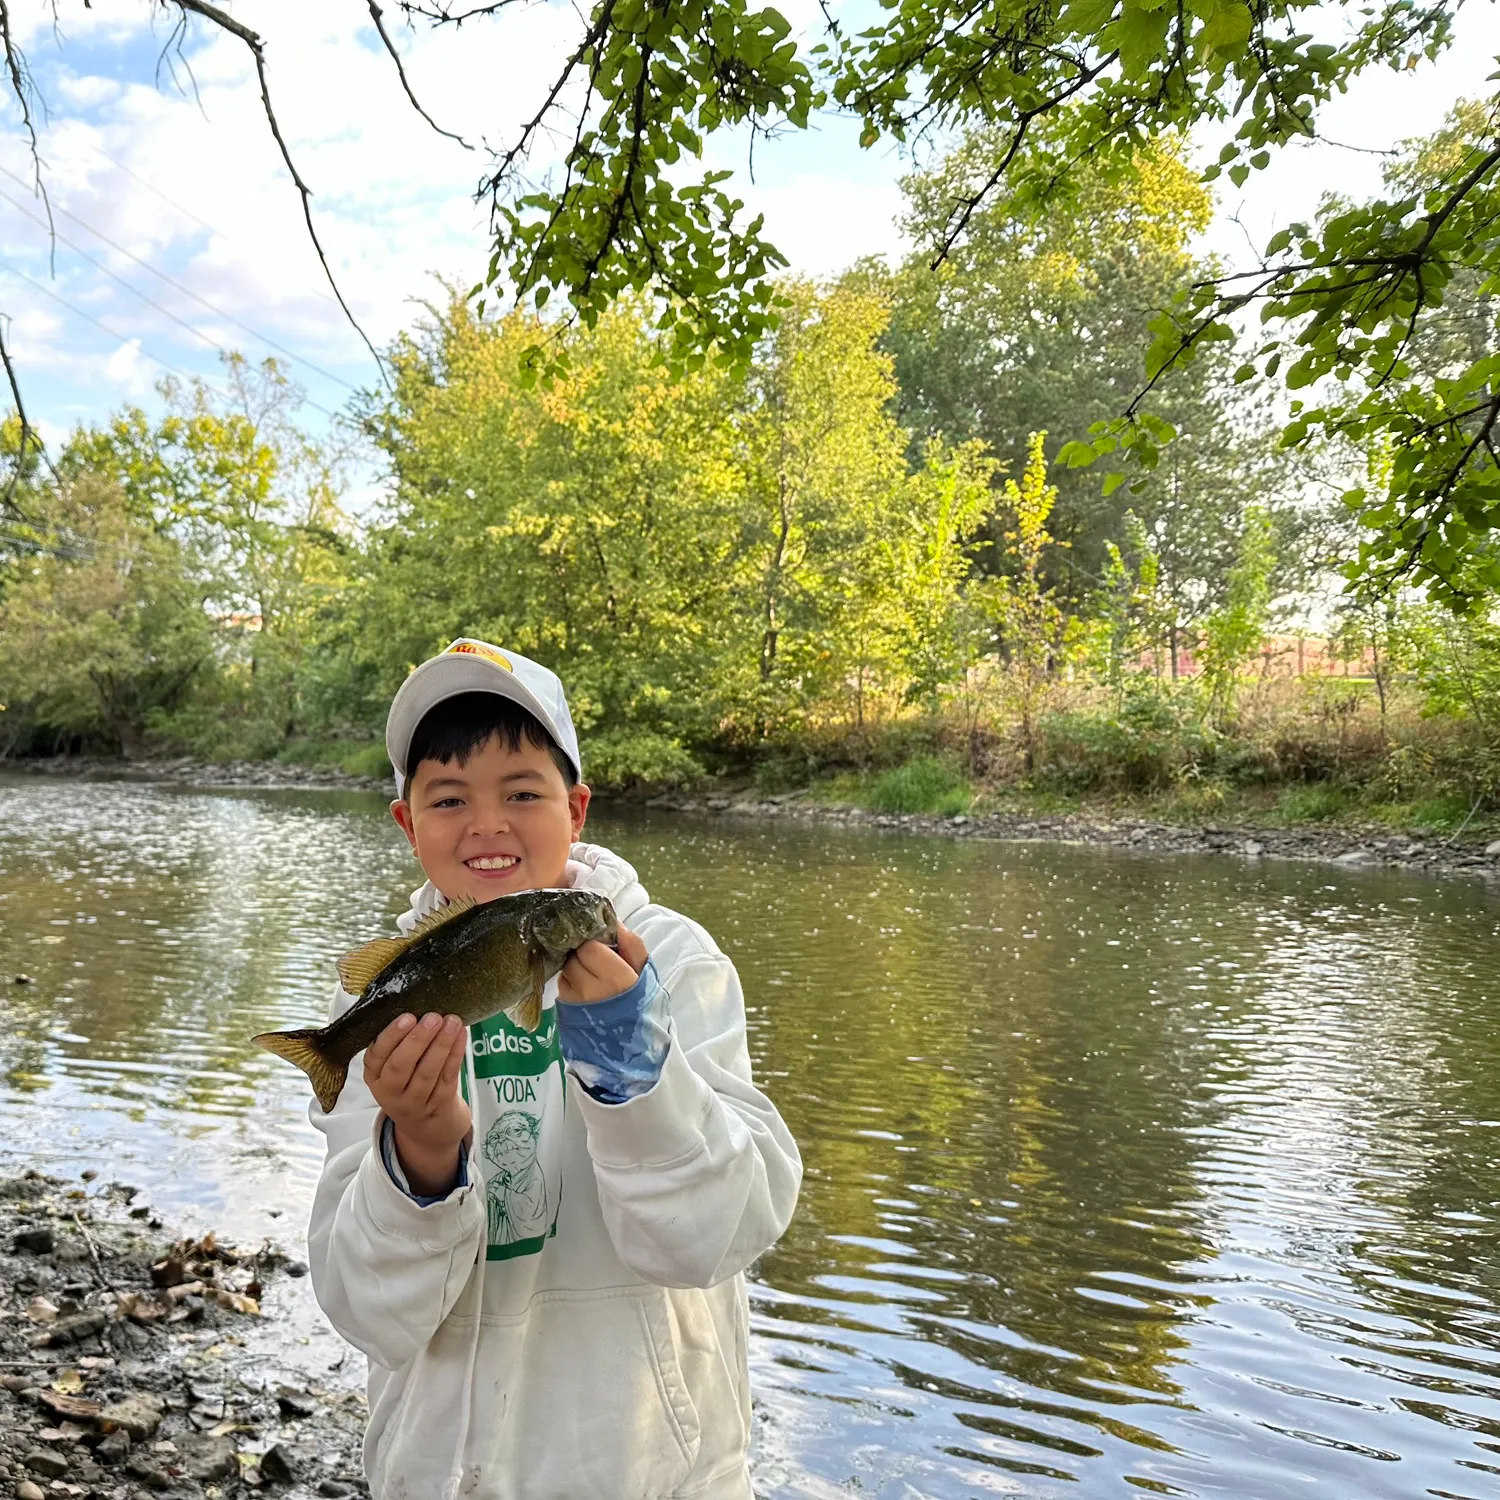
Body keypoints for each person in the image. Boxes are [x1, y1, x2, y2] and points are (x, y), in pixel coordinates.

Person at [306, 637, 802, 1500]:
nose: (487, 824)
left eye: (524, 793)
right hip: (438, 1474)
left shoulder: (675, 964)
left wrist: (636, 1077)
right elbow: (369, 1312)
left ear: (576, 810)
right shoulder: (394, 1002)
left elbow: (721, 1236)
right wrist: (418, 1155)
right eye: (449, 797)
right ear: (407, 821)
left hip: (656, 1474)